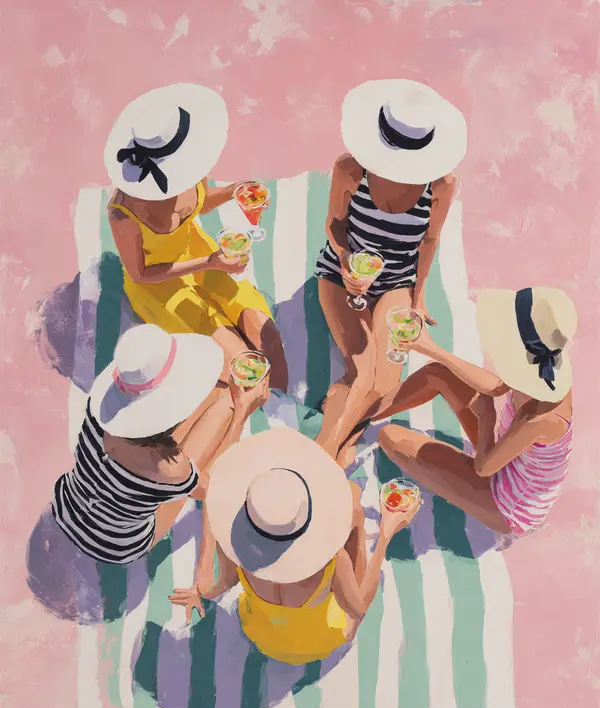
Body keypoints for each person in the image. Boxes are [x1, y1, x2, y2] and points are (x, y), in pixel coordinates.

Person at [168, 427, 422, 665]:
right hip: (321, 643)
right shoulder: (332, 560)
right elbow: (359, 609)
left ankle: (349, 442)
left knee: (351, 500)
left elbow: (221, 584)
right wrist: (386, 533)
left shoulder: (236, 550)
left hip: (262, 636)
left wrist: (199, 591)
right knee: (355, 508)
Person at [314, 79, 467, 461]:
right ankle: (325, 453)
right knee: (362, 371)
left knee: (384, 383)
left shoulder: (440, 184)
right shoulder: (351, 169)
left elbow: (429, 241)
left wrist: (418, 298)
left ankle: (338, 443)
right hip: (343, 272)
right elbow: (334, 224)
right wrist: (346, 260)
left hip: (396, 278)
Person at [104, 83, 288, 390]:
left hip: (199, 254)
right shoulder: (124, 213)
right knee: (242, 366)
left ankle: (286, 407)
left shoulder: (188, 167)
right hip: (161, 285)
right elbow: (140, 273)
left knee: (270, 342)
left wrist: (233, 191)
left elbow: (200, 202)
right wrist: (209, 263)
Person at [356, 287, 575, 539]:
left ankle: (362, 422)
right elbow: (497, 387)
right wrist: (431, 349)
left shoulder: (540, 416)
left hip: (507, 504)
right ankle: (364, 415)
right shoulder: (541, 373)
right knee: (439, 372)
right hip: (505, 454)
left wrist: (486, 416)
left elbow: (484, 468)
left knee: (390, 437)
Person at [51, 324, 269, 564]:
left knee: (212, 411)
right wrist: (241, 414)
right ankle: (231, 405)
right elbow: (209, 487)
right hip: (118, 546)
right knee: (222, 410)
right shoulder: (167, 468)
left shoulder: (97, 410)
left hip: (66, 507)